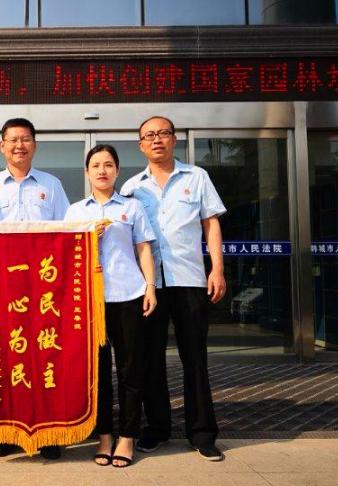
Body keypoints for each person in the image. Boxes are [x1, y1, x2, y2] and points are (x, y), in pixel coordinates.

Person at [120, 116, 227, 461]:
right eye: (149, 135)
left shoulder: (197, 177)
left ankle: (202, 433)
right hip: (149, 285)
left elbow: (211, 224)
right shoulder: (132, 188)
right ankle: (158, 428)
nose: (157, 140)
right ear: (141, 145)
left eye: (163, 134)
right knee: (150, 360)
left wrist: (217, 269)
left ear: (174, 139)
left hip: (189, 280)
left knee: (194, 358)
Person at [0, 117, 69, 459]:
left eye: (25, 139)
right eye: (13, 140)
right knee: (8, 355)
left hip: (43, 288)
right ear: (2, 146)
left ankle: (48, 433)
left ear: (34, 145)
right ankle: (6, 432)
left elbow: (67, 231)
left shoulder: (52, 185)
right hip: (5, 289)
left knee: (44, 356)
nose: (19, 145)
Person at [65, 144, 157, 468]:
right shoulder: (76, 212)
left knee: (131, 370)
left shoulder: (132, 207)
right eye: (96, 165)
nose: (102, 170)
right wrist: (88, 238)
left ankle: (128, 437)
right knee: (98, 372)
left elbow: (143, 249)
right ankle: (104, 436)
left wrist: (150, 287)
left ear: (117, 171)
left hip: (129, 295)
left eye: (108, 165)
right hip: (90, 302)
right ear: (87, 172)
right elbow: (65, 255)